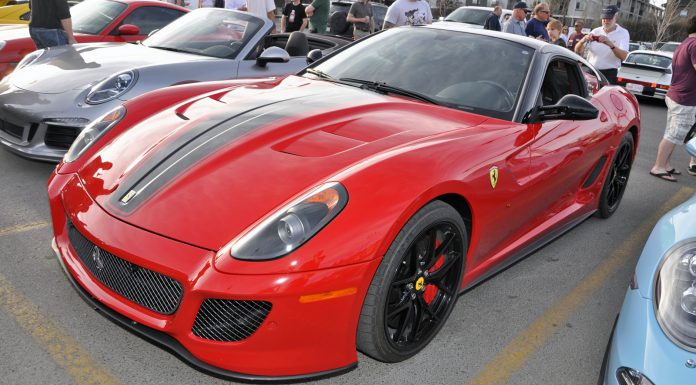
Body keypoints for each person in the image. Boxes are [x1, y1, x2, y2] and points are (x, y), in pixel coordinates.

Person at [650, 15, 696, 181]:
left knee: (672, 133)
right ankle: (659, 167)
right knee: (674, 135)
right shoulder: (695, 45)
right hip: (684, 99)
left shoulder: (685, 43)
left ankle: (666, 165)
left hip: (676, 95)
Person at [574, 5, 628, 84]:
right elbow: (577, 50)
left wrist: (610, 44)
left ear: (616, 17)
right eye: (604, 18)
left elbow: (624, 56)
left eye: (609, 18)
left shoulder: (623, 33)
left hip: (609, 73)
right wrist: (583, 40)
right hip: (591, 70)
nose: (606, 21)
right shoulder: (595, 31)